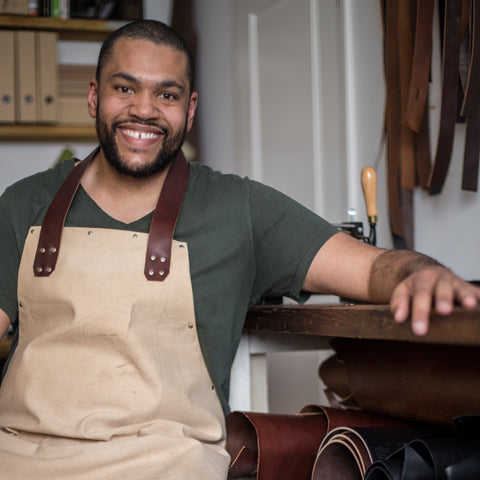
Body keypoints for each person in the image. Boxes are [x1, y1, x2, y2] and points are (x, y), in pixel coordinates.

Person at [0, 19, 478, 480]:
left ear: (188, 110)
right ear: (93, 96)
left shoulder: (239, 208)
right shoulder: (24, 203)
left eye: (166, 94)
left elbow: (372, 269)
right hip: (18, 453)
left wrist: (417, 273)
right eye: (124, 88)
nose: (143, 110)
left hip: (165, 462)